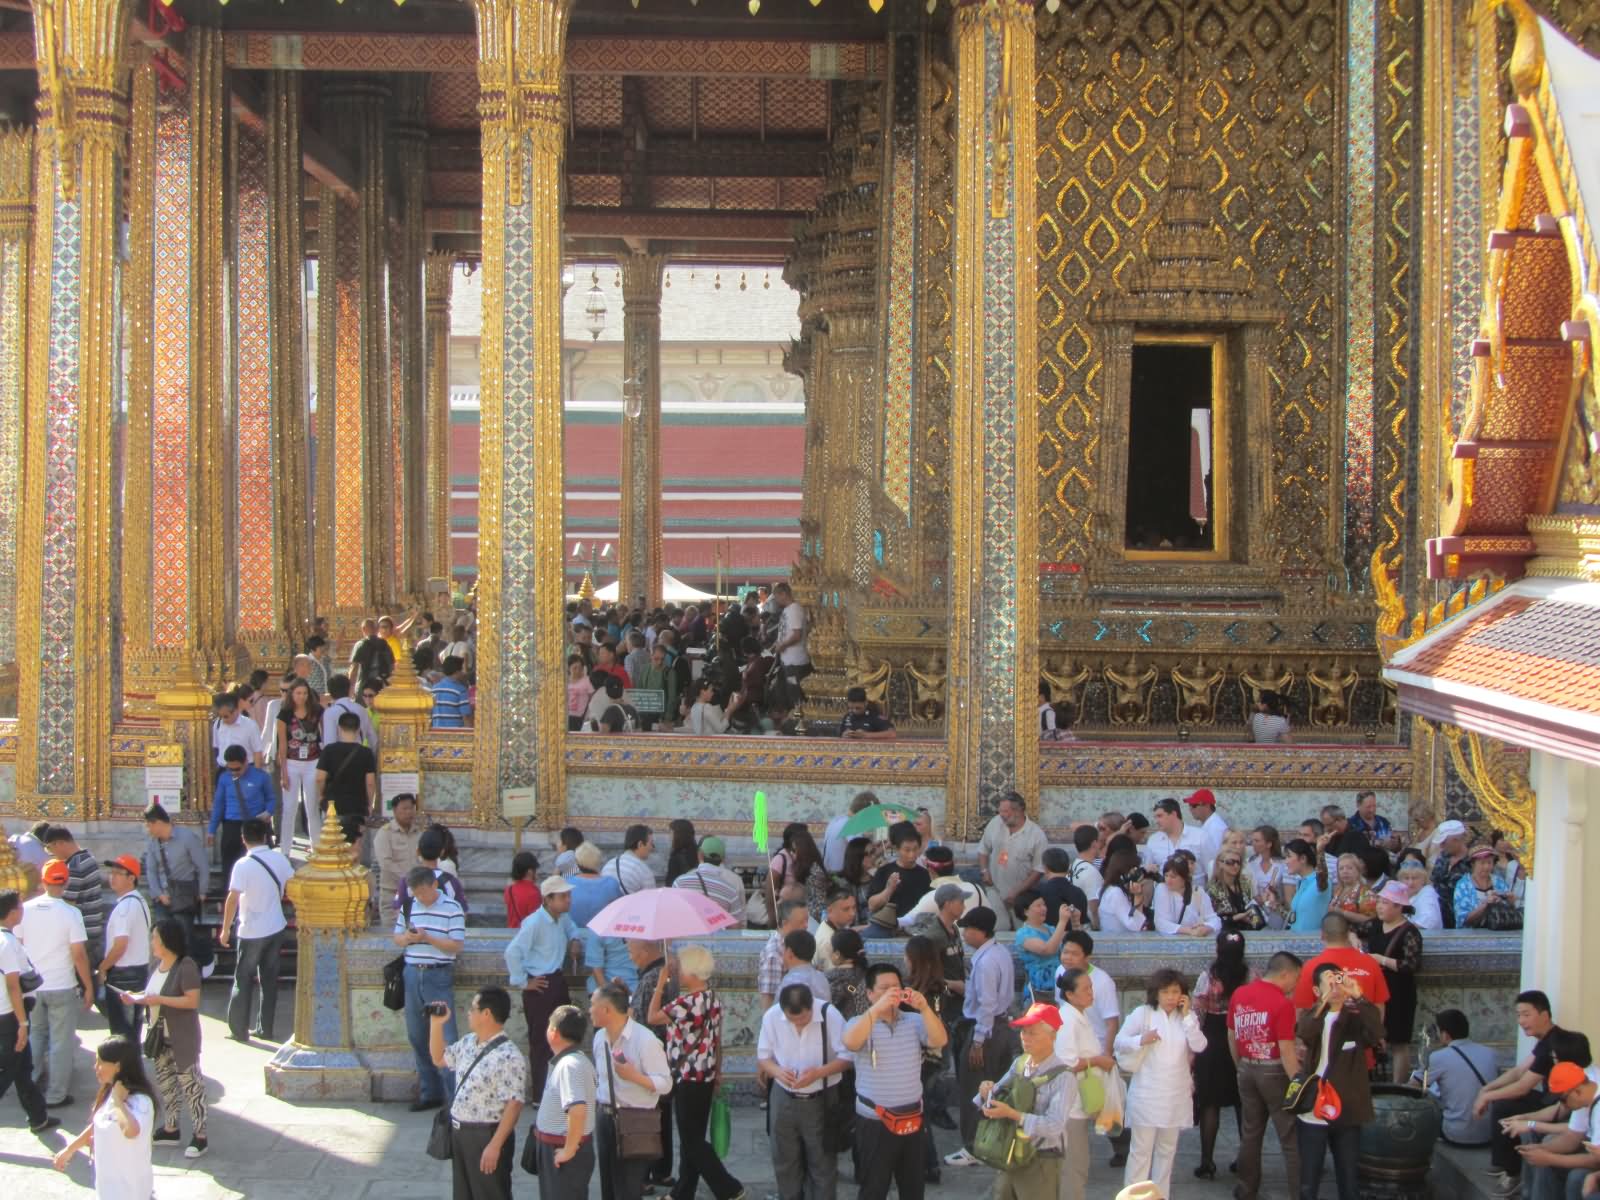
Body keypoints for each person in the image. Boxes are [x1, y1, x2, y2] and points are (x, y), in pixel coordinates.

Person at [841, 962, 950, 1200]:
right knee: (873, 1187)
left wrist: (924, 1008)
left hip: (912, 1117)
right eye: (884, 988)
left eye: (896, 986)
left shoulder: (914, 1021)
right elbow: (850, 1042)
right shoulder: (858, 1022)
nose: (892, 991)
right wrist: (877, 1010)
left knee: (913, 1188)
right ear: (869, 994)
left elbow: (939, 1039)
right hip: (874, 1120)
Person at [647, 945, 744, 1200]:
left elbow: (652, 1016)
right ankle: (683, 1192)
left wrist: (659, 982)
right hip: (706, 1075)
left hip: (688, 1077)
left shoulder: (687, 1003)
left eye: (680, 968)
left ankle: (729, 1188)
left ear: (690, 972)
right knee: (694, 1137)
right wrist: (718, 1071)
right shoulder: (712, 998)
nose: (677, 973)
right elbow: (717, 1039)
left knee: (692, 1142)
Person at [1295, 963, 1384, 1200]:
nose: (1336, 986)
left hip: (1346, 1107)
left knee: (1348, 1178)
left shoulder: (1355, 1019)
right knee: (1309, 1179)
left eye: (1338, 980)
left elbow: (1376, 1032)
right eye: (1329, 982)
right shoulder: (1313, 1015)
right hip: (1314, 1109)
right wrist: (1322, 1003)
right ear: (1317, 990)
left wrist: (1358, 995)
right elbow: (1305, 1032)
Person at [1114, 968, 1206, 1196]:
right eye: (1165, 992)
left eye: (1176, 992)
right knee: (1140, 1151)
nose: (1171, 997)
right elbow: (1119, 1041)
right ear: (1156, 993)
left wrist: (1187, 1017)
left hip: (1175, 1094)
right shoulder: (1142, 1013)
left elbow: (1200, 1045)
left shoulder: (1187, 1018)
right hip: (1147, 1094)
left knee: (1167, 1151)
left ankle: (1160, 1195)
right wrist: (1140, 1039)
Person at [429, 988, 526, 1200]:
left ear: (487, 1014)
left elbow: (515, 1104)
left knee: (490, 1194)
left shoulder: (509, 1055)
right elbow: (439, 1059)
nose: (468, 1013)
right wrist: (436, 1024)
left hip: (486, 1135)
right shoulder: (467, 1042)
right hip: (460, 1134)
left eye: (473, 1008)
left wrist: (495, 1145)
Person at [758, 982, 850, 1200]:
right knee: (784, 1159)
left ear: (812, 1006)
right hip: (783, 1097)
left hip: (822, 1098)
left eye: (804, 1019)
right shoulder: (772, 1017)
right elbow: (764, 1057)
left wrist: (818, 1073)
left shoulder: (830, 1015)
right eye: (793, 1020)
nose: (798, 1024)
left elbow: (847, 1057)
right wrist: (778, 1072)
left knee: (822, 1161)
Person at [972, 1002, 1072, 1200]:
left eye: (1032, 1033)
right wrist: (986, 1092)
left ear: (1052, 1037)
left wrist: (1012, 1114)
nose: (1025, 1037)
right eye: (1023, 1032)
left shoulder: (1064, 1077)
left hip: (1042, 1158)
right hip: (1010, 1152)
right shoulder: (1020, 1063)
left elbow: (1054, 1126)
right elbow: (995, 1093)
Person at [127, 917, 207, 1158]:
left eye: (155, 938)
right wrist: (136, 997)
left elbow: (192, 1001)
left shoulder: (186, 966)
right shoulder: (156, 966)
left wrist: (159, 1000)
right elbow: (153, 994)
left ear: (167, 941)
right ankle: (171, 1127)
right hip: (159, 1036)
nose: (152, 942)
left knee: (191, 1085)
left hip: (182, 1037)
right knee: (166, 1084)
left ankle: (200, 1135)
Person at [1228, 950, 1304, 1200]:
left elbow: (1232, 1033)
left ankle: (1246, 1189)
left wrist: (1240, 1064)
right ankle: (1298, 1192)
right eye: (1296, 978)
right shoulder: (1283, 1003)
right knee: (1290, 1135)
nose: (1296, 985)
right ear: (1285, 974)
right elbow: (1286, 1049)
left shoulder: (1240, 993)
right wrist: (1299, 1083)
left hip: (1246, 1067)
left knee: (1251, 1132)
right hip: (1273, 1070)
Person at [946, 906, 1016, 1168]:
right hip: (999, 1028)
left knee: (974, 1089)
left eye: (968, 929)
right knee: (994, 1089)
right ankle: (992, 1142)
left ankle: (974, 1147)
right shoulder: (999, 953)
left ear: (979, 931)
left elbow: (987, 1004)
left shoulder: (986, 962)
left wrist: (977, 1041)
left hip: (986, 1030)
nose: (964, 934)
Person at [19, 860, 93, 1108]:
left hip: (32, 986)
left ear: (43, 880)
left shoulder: (25, 910)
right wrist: (88, 986)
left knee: (35, 1035)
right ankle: (55, 1095)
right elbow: (79, 955)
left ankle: (28, 1086)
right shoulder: (71, 913)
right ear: (66, 882)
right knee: (61, 1041)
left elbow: (16, 946)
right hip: (61, 984)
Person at [1476, 990, 1565, 1193]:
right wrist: (1486, 1089)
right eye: (1518, 1015)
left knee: (1505, 1105)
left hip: (1559, 1105)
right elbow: (1518, 1072)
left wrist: (1487, 1097)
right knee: (1502, 1102)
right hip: (1548, 1099)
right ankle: (1502, 1162)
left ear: (1544, 1015)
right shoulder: (1545, 1040)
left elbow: (1523, 1086)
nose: (1521, 1021)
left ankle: (1513, 1173)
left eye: (1526, 1014)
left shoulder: (1553, 1043)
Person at [591, 980, 673, 1200]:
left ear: (606, 1010)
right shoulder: (600, 1038)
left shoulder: (645, 1040)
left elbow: (666, 1084)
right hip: (605, 1117)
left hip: (635, 1122)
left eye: (593, 1005)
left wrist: (634, 1077)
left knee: (627, 1188)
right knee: (608, 1185)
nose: (589, 1010)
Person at [396, 866, 466, 1113]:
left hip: (438, 973)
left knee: (447, 1037)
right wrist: (408, 938)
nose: (421, 898)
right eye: (416, 893)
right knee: (417, 1035)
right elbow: (397, 937)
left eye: (424, 893)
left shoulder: (452, 908)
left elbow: (456, 945)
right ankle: (430, 1092)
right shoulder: (408, 906)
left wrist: (428, 939)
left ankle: (454, 1095)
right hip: (412, 972)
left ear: (434, 886)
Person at [51, 1036, 155, 1198]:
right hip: (108, 1189)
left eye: (100, 1062)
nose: (95, 1067)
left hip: (130, 1192)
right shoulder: (112, 1093)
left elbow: (131, 1131)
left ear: (117, 1066)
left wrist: (118, 1102)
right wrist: (70, 1149)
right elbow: (99, 1122)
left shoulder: (140, 1101)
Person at [506, 875, 580, 1099]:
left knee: (564, 1037)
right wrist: (523, 982)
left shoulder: (561, 918)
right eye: (563, 896)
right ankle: (540, 1095)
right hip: (540, 986)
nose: (568, 900)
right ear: (548, 899)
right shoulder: (535, 922)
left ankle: (558, 1090)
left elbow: (572, 928)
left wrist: (575, 940)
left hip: (556, 981)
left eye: (568, 895)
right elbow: (512, 952)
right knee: (541, 1041)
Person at [219, 818, 290, 1043]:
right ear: (266, 837)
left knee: (243, 979)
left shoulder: (243, 865)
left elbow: (233, 898)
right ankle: (264, 1029)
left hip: (251, 929)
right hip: (276, 926)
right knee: (269, 981)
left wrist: (225, 928)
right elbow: (295, 884)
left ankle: (238, 1029)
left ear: (243, 839)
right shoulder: (279, 859)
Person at [1192, 930, 1251, 1180]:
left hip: (1213, 1039)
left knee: (1210, 1103)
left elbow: (1198, 1012)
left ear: (1217, 950)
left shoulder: (1208, 977)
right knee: (1243, 1103)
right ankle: (1245, 1159)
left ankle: (1207, 1161)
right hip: (1241, 1036)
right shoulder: (1251, 976)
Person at [0, 889, 60, 1133]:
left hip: (7, 1014)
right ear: (13, 912)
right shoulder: (7, 943)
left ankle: (38, 1117)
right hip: (10, 1017)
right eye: (21, 907)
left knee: (23, 1069)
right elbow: (14, 985)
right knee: (8, 1070)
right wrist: (23, 1025)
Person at [1054, 967, 1116, 1200]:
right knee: (1074, 1169)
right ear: (1070, 994)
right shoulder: (1068, 1020)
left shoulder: (1079, 1017)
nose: (1092, 993)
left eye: (1092, 987)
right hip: (1069, 1105)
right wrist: (1098, 1060)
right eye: (1086, 989)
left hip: (1079, 1102)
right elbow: (1067, 1063)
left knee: (1077, 1167)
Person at [533, 1004, 598, 1200]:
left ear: (554, 1033)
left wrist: (569, 1149)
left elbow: (577, 1109)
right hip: (558, 1149)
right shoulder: (569, 1061)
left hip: (565, 1152)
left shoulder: (570, 1065)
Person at [139, 803, 209, 976]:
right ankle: (165, 976)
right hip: (163, 898)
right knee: (162, 939)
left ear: (157, 823)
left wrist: (202, 892)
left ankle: (187, 976)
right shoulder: (153, 843)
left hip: (184, 896)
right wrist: (158, 894)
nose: (147, 829)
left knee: (184, 939)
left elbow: (202, 866)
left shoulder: (187, 838)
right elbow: (151, 870)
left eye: (148, 825)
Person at [1363, 880, 1424, 1081]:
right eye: (1379, 901)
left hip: (1399, 991)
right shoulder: (1373, 925)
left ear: (1399, 907)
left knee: (1399, 1041)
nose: (1379, 906)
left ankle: (1399, 1085)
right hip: (1374, 989)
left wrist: (1380, 959)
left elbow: (1410, 964)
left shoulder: (1409, 932)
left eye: (1385, 902)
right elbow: (1351, 929)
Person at [1291, 913, 1390, 1016]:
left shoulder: (1310, 967)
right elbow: (1379, 1007)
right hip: (1365, 1030)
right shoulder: (1371, 963)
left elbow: (1302, 1010)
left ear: (1322, 935)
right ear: (1348, 934)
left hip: (1326, 1031)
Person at [98, 857, 152, 1042]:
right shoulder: (139, 901)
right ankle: (131, 1066)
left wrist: (103, 967)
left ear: (132, 878)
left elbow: (120, 945)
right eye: (111, 873)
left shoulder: (125, 907)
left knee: (122, 1034)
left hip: (123, 975)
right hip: (138, 971)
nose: (112, 877)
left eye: (118, 874)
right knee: (131, 1031)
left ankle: (125, 1069)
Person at [1424, 1008, 1497, 1146]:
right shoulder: (1490, 1053)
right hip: (1489, 1133)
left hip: (1456, 1134)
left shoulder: (1438, 1057)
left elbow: (1413, 1086)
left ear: (1445, 1035)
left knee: (1428, 1094)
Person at [43, 826, 108, 975]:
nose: (52, 854)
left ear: (59, 843)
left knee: (80, 976)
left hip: (81, 932)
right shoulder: (88, 858)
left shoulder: (75, 866)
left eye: (50, 849)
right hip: (92, 929)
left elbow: (67, 903)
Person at [209, 744, 274, 883]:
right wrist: (211, 830)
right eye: (230, 769)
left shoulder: (261, 777)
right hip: (232, 826)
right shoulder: (224, 778)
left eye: (237, 769)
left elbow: (271, 799)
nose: (233, 772)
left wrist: (268, 812)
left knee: (258, 865)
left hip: (255, 825)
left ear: (246, 762)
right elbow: (218, 805)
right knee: (230, 868)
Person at [316, 710, 379, 848]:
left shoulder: (329, 750)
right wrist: (370, 803)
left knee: (332, 846)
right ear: (358, 730)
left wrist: (321, 796)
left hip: (333, 805)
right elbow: (370, 782)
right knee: (355, 845)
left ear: (339, 728)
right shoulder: (365, 753)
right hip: (357, 805)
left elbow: (320, 778)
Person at [977, 792, 1048, 915]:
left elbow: (1039, 870)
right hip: (994, 889)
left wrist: (1017, 892)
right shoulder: (995, 823)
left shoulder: (1037, 835)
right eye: (1000, 811)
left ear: (1019, 810)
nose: (1001, 815)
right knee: (999, 927)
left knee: (1021, 930)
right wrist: (984, 871)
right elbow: (983, 849)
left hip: (1021, 895)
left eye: (1005, 811)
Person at [276, 677, 324, 848]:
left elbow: (323, 737)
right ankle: (285, 848)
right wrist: (283, 773)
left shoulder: (317, 711)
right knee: (289, 808)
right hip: (291, 762)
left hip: (313, 761)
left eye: (304, 693)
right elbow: (282, 744)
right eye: (298, 693)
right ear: (292, 694)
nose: (301, 697)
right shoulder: (284, 714)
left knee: (312, 807)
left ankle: (316, 846)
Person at [868, 821, 933, 931]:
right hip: (889, 928)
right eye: (907, 850)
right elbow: (872, 905)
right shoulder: (884, 871)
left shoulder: (925, 874)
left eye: (915, 849)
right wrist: (889, 889)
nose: (912, 855)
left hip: (916, 929)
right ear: (897, 849)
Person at [672, 836, 746, 927]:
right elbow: (736, 927)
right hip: (717, 939)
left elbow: (672, 918)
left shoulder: (680, 883)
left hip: (686, 940)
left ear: (700, 854)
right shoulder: (730, 890)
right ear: (722, 859)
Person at [1013, 892, 1075, 999]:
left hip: (1059, 983)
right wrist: (1062, 921)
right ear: (1025, 911)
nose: (1044, 908)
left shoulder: (1050, 929)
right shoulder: (1023, 933)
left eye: (1044, 905)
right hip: (1039, 988)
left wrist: (1075, 920)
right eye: (1038, 905)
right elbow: (1047, 950)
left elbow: (1074, 943)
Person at [1143, 798, 1211, 888]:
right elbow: (1148, 872)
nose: (1156, 821)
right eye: (1155, 817)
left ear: (1173, 814)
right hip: (1164, 896)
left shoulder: (1200, 836)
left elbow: (1212, 871)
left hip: (1195, 895)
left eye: (1160, 816)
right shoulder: (1153, 840)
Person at [769, 823, 829, 924]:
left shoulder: (814, 872)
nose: (791, 854)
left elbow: (816, 903)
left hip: (812, 920)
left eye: (794, 850)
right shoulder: (806, 867)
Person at [374, 793, 423, 911]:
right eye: (405, 808)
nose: (409, 812)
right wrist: (408, 878)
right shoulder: (385, 833)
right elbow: (385, 863)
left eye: (411, 808)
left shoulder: (419, 832)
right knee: (392, 928)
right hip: (393, 892)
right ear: (395, 810)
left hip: (417, 893)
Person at [1154, 854, 1222, 936]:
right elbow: (1160, 922)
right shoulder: (1162, 888)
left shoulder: (1198, 891)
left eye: (1173, 877)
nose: (1168, 880)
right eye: (1166, 875)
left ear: (1184, 877)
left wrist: (1206, 928)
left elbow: (1215, 920)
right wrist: (1189, 931)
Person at [1455, 844, 1521, 928]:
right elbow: (1463, 920)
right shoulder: (1463, 886)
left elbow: (1508, 912)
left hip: (1497, 933)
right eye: (1482, 863)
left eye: (1489, 862)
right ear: (1472, 864)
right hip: (1470, 937)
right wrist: (1486, 904)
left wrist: (1511, 902)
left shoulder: (1498, 881)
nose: (1486, 867)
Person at [1207, 845, 1265, 931]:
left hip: (1248, 929)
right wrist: (1235, 918)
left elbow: (1250, 905)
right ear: (1220, 863)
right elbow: (1212, 919)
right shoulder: (1213, 888)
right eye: (1230, 862)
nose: (1235, 865)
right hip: (1225, 932)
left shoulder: (1245, 883)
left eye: (1238, 862)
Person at [1097, 847, 1153, 933]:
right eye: (1135, 869)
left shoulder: (1110, 889)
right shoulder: (1115, 893)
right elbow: (1135, 926)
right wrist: (1138, 897)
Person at [1284, 838, 1331, 932]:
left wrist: (1320, 851)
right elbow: (1294, 918)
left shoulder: (1319, 882)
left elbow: (1322, 873)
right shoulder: (1301, 883)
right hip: (1296, 941)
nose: (1286, 861)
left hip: (1313, 942)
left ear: (1303, 858)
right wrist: (1275, 904)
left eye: (1289, 857)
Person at [824, 791, 878, 874]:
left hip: (828, 870)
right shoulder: (852, 825)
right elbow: (861, 857)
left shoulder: (837, 820)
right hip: (840, 876)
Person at [211, 690, 265, 772]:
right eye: (220, 716)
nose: (223, 720)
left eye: (226, 716)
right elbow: (216, 747)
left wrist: (256, 776)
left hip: (246, 770)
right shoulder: (217, 724)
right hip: (224, 770)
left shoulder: (250, 725)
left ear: (236, 710)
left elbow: (257, 752)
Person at [321, 672, 377, 749]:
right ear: (349, 689)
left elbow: (329, 743)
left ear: (330, 693)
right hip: (359, 755)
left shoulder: (330, 713)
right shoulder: (361, 709)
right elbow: (373, 740)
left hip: (339, 758)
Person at [813, 888, 859, 971]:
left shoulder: (835, 924)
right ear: (830, 911)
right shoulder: (828, 942)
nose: (852, 913)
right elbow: (833, 978)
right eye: (846, 909)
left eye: (854, 907)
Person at [1329, 852, 1378, 927]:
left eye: (1349, 868)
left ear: (1358, 871)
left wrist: (1342, 913)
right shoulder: (1338, 890)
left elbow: (1371, 920)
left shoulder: (1365, 892)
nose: (1345, 871)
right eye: (1341, 868)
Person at [607, 824, 658, 896]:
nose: (652, 848)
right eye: (651, 843)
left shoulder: (608, 865)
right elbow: (651, 900)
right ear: (640, 844)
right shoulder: (643, 870)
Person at [432, 655, 474, 728]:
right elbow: (466, 717)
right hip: (455, 735)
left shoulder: (434, 689)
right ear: (457, 672)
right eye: (461, 670)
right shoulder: (461, 690)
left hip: (437, 732)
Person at [1398, 862, 1444, 930]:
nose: (1410, 882)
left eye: (1414, 878)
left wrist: (1404, 930)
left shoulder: (1428, 892)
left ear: (1423, 880)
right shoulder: (1399, 894)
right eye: (1406, 878)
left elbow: (1430, 919)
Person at [505, 852, 543, 929]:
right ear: (530, 871)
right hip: (527, 936)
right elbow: (536, 922)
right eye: (535, 869)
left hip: (511, 934)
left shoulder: (509, 890)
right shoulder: (534, 893)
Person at [665, 819, 699, 887]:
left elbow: (670, 884)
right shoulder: (699, 852)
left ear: (678, 835)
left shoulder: (676, 857)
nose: (669, 837)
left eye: (671, 833)